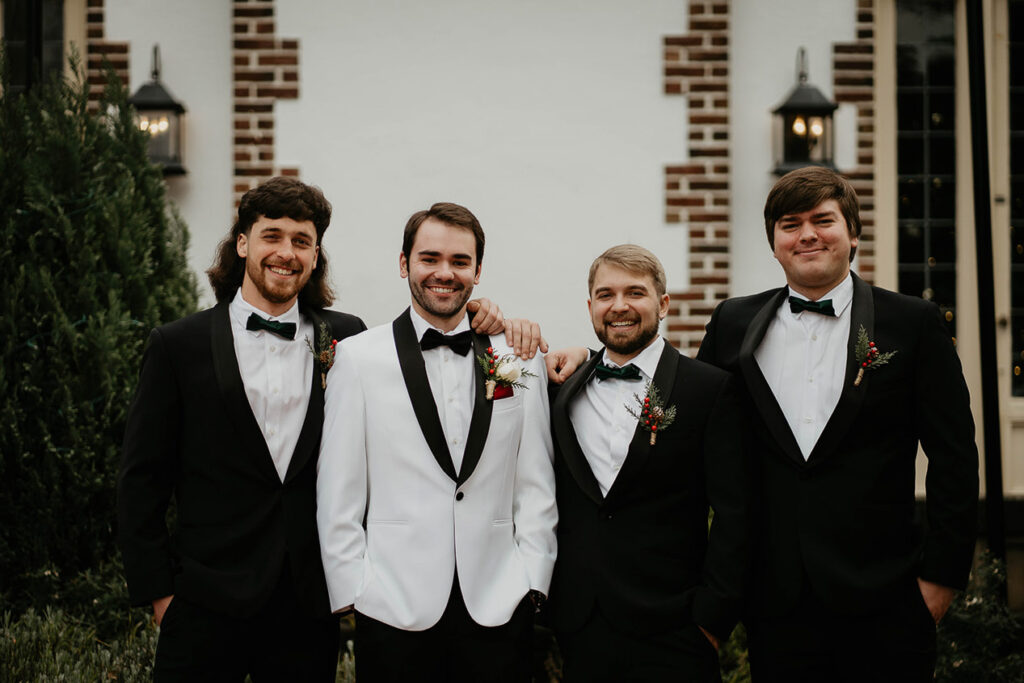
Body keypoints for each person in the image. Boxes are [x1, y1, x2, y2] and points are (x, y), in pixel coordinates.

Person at [116, 178, 513, 680]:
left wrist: (487, 315)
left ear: (316, 253)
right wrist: (161, 595)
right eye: (272, 236)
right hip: (203, 602)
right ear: (243, 243)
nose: (286, 253)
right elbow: (141, 479)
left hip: (306, 608)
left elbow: (433, 329)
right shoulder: (178, 345)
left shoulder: (347, 338)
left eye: (301, 241)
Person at [695, 166, 979, 681]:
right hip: (775, 601)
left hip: (888, 597)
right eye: (789, 224)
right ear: (774, 244)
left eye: (822, 220)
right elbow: (691, 423)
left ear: (853, 233)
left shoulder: (912, 323)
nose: (806, 234)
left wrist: (940, 579)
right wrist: (586, 359)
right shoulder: (732, 323)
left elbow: (954, 454)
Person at [316, 202, 557, 682]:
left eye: (460, 262)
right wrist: (354, 590)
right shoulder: (357, 359)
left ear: (478, 270)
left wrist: (533, 580)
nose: (444, 273)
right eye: (429, 259)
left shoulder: (519, 358)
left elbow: (535, 481)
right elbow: (338, 487)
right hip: (391, 606)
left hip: (498, 603)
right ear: (404, 264)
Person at [547, 245, 748, 682]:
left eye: (634, 293)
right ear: (590, 307)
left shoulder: (709, 390)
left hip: (676, 628)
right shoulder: (560, 391)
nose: (619, 306)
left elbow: (737, 513)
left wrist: (711, 619)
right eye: (605, 295)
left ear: (662, 304)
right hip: (583, 626)